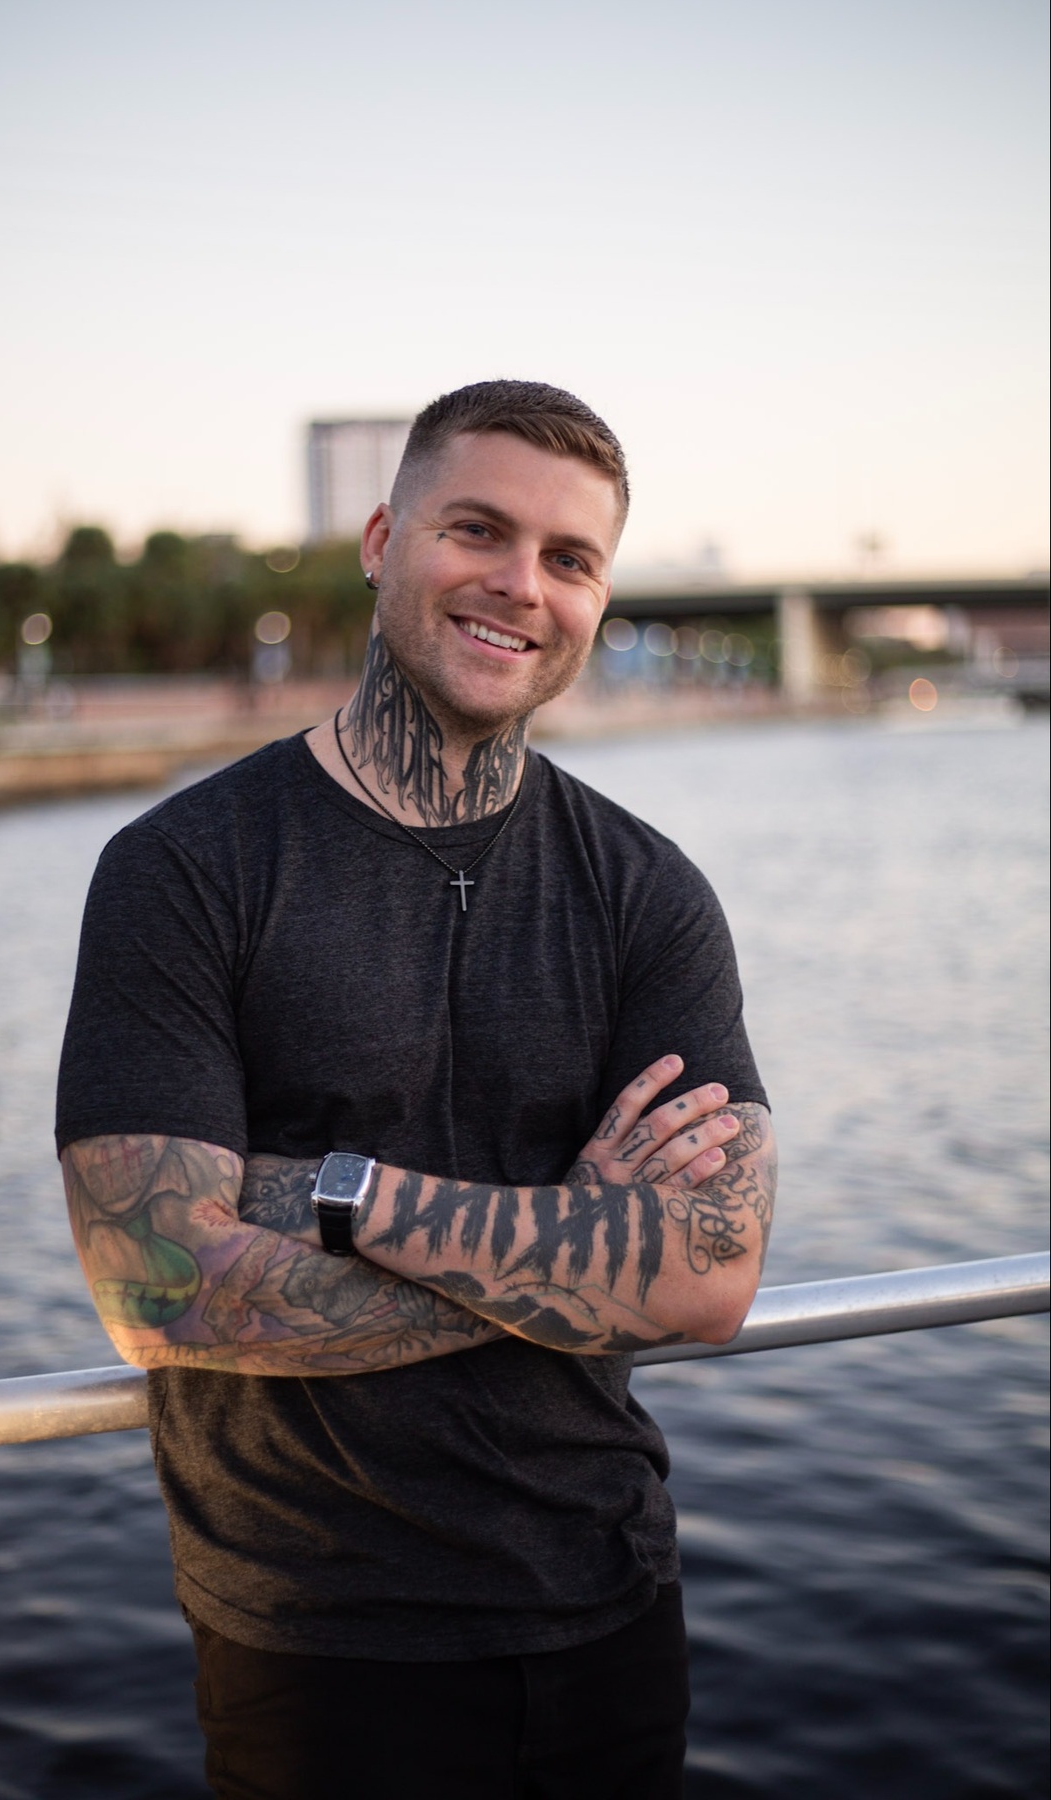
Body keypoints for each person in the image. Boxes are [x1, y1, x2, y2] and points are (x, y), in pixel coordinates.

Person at [56, 379, 776, 1800]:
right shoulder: (184, 871)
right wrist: (577, 1243)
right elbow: (162, 1290)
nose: (522, 585)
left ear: (599, 598)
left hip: (612, 1612)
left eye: (570, 558)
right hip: (317, 1653)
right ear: (384, 540)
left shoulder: (650, 893)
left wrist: (333, 1198)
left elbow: (709, 1276)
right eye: (477, 531)